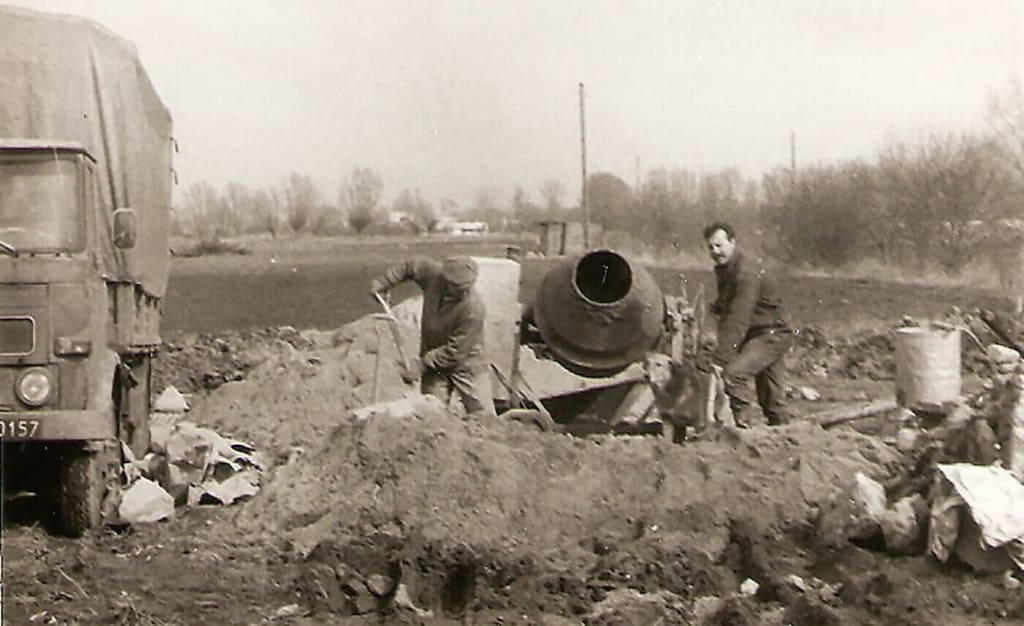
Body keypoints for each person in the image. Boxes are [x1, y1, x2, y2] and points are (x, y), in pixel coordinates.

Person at [369, 255, 496, 418]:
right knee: (431, 417)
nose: (463, 292)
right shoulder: (434, 275)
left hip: (468, 363)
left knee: (485, 418)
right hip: (435, 366)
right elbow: (410, 265)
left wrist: (420, 365)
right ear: (446, 281)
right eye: (458, 288)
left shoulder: (473, 309)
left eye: (467, 287)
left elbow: (455, 352)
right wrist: (384, 282)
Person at [704, 222, 792, 427]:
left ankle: (745, 432)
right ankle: (783, 438)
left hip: (770, 334)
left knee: (733, 375)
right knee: (773, 400)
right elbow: (731, 303)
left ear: (732, 242)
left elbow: (738, 317)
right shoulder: (727, 269)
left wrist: (721, 358)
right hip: (758, 334)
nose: (715, 251)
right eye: (710, 247)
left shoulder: (746, 273)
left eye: (719, 245)